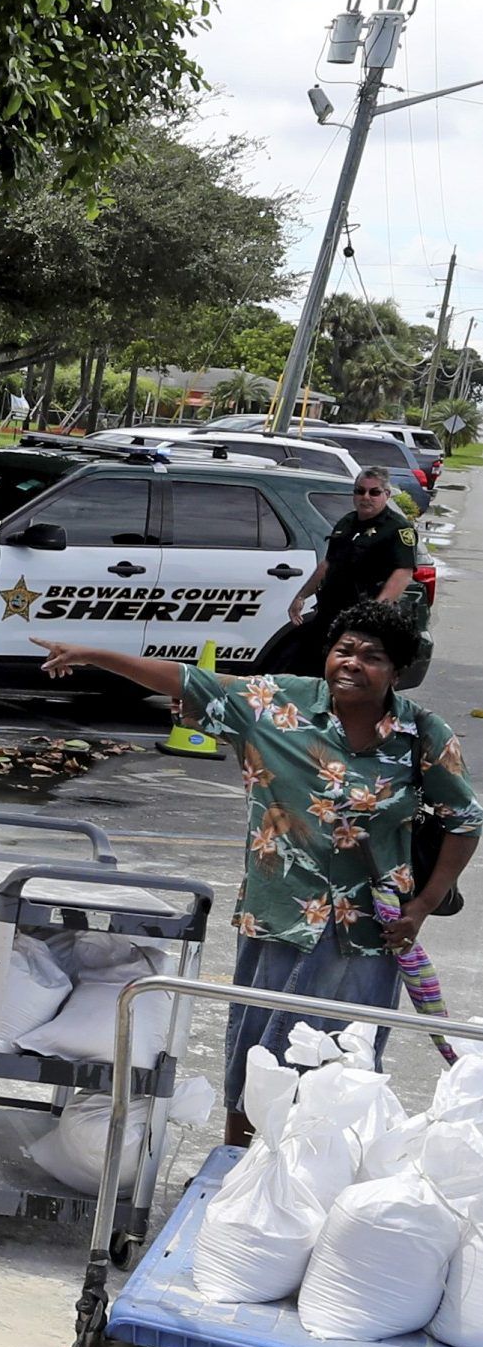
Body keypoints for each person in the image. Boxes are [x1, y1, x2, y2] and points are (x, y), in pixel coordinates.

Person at [39, 601, 479, 1144]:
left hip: (371, 930)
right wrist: (92, 655)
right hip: (280, 913)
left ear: (397, 670)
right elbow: (189, 680)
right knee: (256, 1051)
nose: (352, 663)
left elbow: (465, 819)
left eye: (372, 657)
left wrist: (424, 905)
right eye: (344, 650)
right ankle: (237, 1165)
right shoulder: (275, 704)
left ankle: (316, 1169)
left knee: (346, 1060)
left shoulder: (424, 736)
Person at [269, 469, 421, 675]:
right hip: (329, 615)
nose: (365, 497)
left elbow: (402, 573)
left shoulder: (397, 529)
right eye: (360, 491)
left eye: (374, 492)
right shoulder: (347, 522)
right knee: (308, 670)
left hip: (360, 618)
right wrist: (302, 596)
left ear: (387, 494)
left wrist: (373, 615)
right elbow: (328, 564)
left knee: (347, 676)